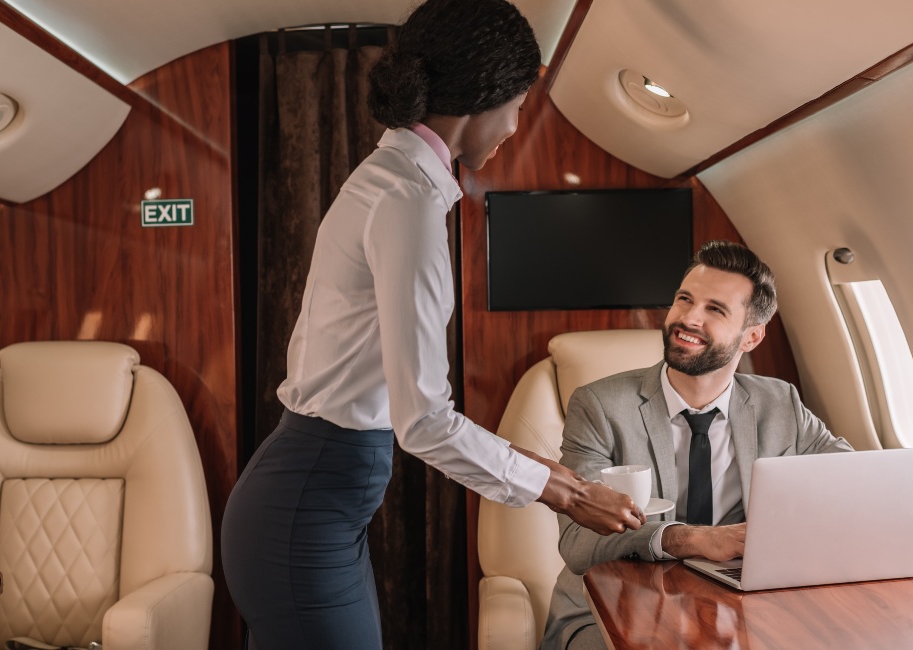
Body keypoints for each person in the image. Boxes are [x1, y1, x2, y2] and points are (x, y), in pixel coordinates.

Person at [220, 2, 644, 648]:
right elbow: (422, 421)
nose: (515, 125)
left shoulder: (399, 183)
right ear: (485, 94)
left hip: (318, 502)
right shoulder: (407, 201)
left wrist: (556, 479)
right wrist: (562, 494)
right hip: (306, 506)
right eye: (519, 103)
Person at [540, 241, 854, 650]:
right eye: (684, 300)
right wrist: (692, 539)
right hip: (612, 607)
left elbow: (848, 479)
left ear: (752, 337)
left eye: (715, 310)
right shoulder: (599, 405)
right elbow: (579, 545)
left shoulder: (780, 403)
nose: (688, 318)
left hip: (740, 607)